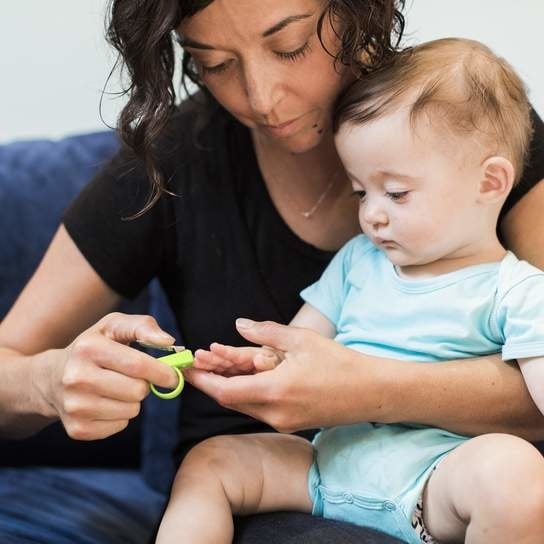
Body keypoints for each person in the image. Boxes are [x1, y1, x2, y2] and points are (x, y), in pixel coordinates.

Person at [1, 0, 544, 541]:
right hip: (295, 480)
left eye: (290, 46)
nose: (261, 100)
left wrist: (370, 388)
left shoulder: (473, 125)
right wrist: (48, 382)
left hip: (457, 479)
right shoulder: (168, 162)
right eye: (214, 63)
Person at [155, 38, 544, 544]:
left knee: (514, 474)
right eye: (362, 191)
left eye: (397, 192)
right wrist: (245, 367)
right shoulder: (359, 261)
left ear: (490, 183)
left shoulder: (518, 290)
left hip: (436, 479)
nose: (372, 213)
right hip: (327, 463)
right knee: (210, 459)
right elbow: (294, 350)